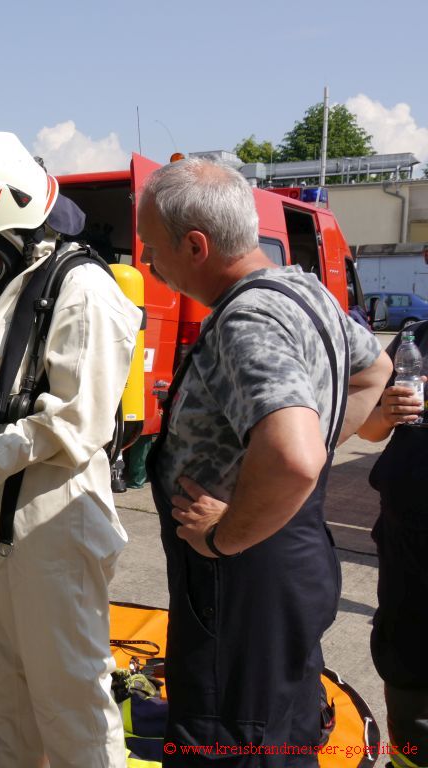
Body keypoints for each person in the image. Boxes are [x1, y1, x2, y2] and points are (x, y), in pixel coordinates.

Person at [138, 158, 390, 763]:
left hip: (241, 575)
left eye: (152, 249)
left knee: (234, 738)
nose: (148, 264)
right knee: (280, 720)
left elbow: (294, 457)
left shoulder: (247, 318)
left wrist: (226, 536)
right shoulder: (305, 290)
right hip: (290, 552)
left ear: (195, 246)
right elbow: (373, 372)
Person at [0, 131, 142, 768]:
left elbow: (74, 421)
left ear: (20, 234)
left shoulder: (84, 293)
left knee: (69, 701)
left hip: (55, 520)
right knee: (4, 696)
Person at [357, 321, 428, 768]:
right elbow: (368, 429)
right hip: (408, 541)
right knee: (406, 662)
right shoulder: (414, 339)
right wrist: (387, 412)